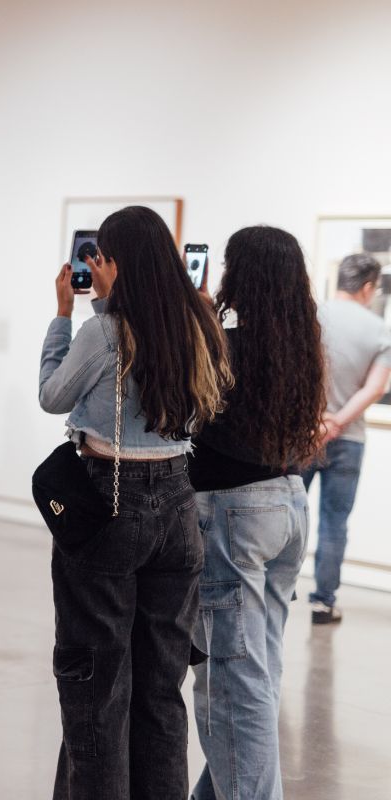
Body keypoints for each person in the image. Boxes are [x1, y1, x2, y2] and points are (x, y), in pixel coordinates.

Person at [39, 206, 231, 800]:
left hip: (111, 500)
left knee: (97, 683)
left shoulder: (103, 331)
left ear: (114, 262)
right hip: (179, 504)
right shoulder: (197, 324)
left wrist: (63, 316)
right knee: (159, 686)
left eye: (101, 257)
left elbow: (53, 396)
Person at [187, 227, 326, 800]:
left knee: (231, 681)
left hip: (234, 514)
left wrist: (197, 320)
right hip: (287, 506)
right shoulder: (299, 341)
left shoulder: (224, 339)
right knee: (254, 674)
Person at [301, 253, 391, 624]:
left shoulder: (310, 317)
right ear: (369, 287)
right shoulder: (380, 330)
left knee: (291, 510)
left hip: (303, 434)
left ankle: (277, 584)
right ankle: (323, 601)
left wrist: (318, 419)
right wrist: (337, 422)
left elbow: (297, 374)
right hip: (349, 438)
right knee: (334, 522)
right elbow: (374, 388)